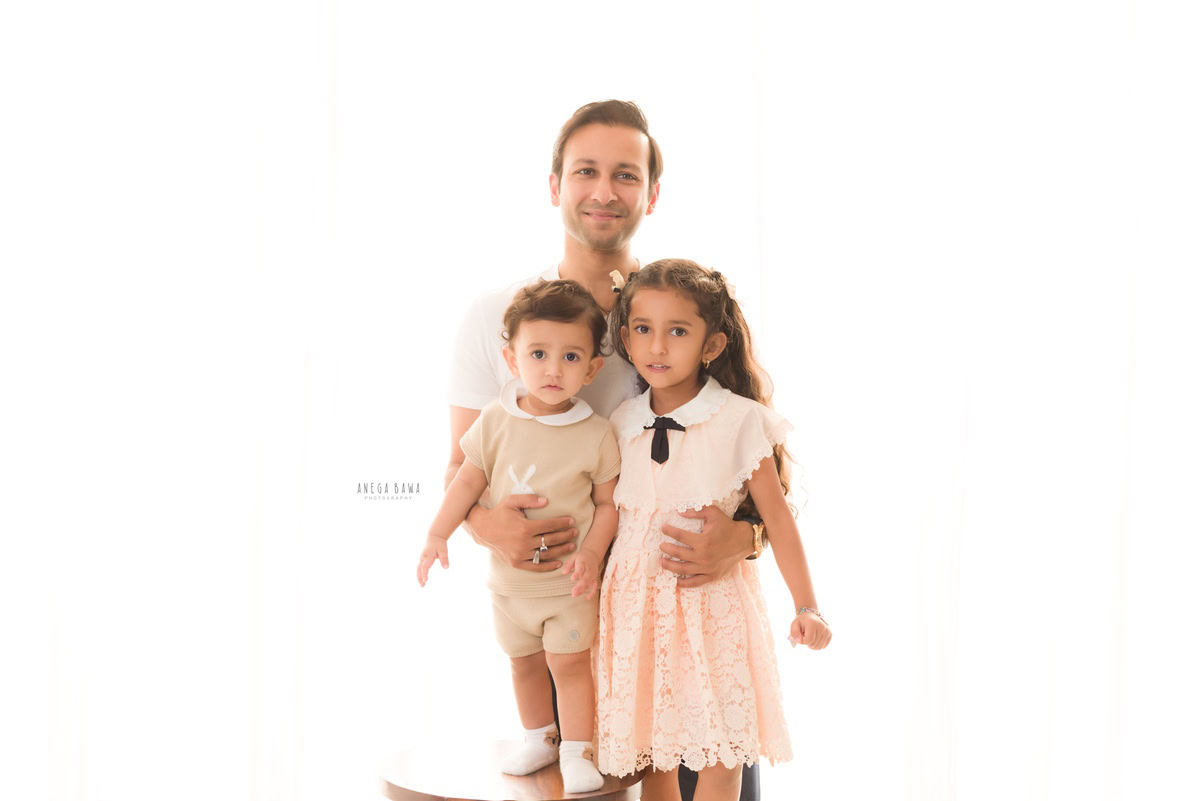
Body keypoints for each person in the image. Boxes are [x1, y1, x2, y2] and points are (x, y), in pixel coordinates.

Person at [446, 100, 765, 800]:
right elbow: (462, 471)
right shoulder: (498, 316)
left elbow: (759, 481)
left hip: (688, 631)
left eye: (626, 174)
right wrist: (484, 525)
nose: (603, 190)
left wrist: (741, 540)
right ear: (554, 183)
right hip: (576, 634)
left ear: (651, 194)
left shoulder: (673, 315)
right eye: (586, 170)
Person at [595, 259, 832, 801]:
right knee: (653, 757)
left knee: (722, 756)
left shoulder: (739, 420)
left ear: (711, 345)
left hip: (714, 612)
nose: (657, 346)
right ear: (626, 337)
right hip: (636, 614)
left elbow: (778, 518)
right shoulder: (620, 423)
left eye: (677, 331)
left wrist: (807, 605)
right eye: (643, 329)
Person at [419, 280, 620, 793]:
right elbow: (466, 479)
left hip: (568, 586)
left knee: (570, 667)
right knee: (523, 664)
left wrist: (592, 554)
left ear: (592, 369)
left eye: (571, 356)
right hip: (510, 587)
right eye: (538, 354)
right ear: (512, 359)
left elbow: (607, 504)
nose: (553, 369)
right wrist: (437, 534)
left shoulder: (597, 434)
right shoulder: (495, 421)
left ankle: (578, 752)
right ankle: (539, 737)